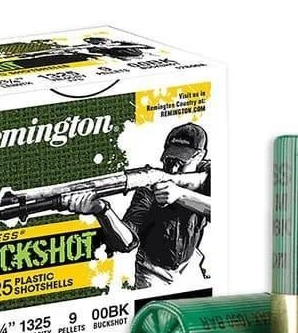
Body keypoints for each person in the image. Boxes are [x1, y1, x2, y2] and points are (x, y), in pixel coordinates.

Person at [61, 123, 211, 288]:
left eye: (181, 162)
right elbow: (127, 242)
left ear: (199, 156)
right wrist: (102, 210)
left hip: (189, 265)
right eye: (170, 160)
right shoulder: (148, 189)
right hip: (154, 272)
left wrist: (180, 195)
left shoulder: (209, 175)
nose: (174, 169)